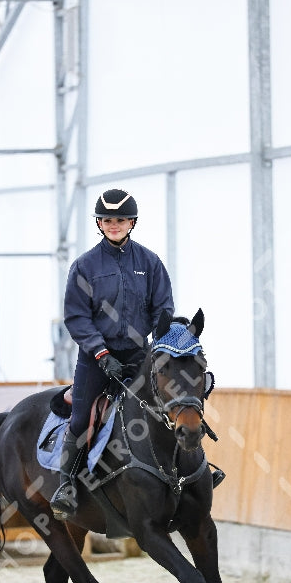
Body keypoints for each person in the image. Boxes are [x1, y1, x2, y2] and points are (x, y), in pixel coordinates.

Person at [50, 188, 175, 519]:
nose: (114, 225)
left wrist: (159, 342)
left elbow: (163, 307)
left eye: (120, 220)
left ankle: (188, 475)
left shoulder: (150, 263)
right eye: (107, 220)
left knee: (170, 406)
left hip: (138, 355)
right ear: (99, 224)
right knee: (80, 419)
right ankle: (67, 484)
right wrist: (102, 353)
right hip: (96, 359)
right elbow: (77, 316)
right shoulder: (84, 266)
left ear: (131, 222)